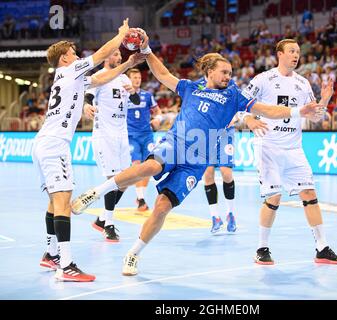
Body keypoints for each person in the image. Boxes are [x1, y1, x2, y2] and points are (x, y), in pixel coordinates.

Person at [71, 29, 323, 276]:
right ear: (210, 71)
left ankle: (134, 253)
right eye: (224, 72)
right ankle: (96, 193)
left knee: (161, 207)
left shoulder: (234, 95)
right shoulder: (191, 87)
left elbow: (267, 109)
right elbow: (162, 74)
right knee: (150, 167)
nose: (229, 76)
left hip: (197, 161)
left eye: (231, 73)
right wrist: (146, 51)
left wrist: (297, 112)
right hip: (177, 142)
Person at [32, 19, 142, 282]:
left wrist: (126, 65)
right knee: (63, 201)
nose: (77, 54)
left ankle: (50, 254)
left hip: (45, 142)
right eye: (72, 52)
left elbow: (101, 77)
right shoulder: (69, 71)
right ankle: (66, 265)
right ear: (64, 59)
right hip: (54, 144)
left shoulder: (72, 78)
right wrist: (121, 36)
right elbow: (102, 56)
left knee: (54, 201)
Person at [242, 39, 337, 265]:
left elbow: (314, 116)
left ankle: (322, 247)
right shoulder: (263, 79)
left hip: (294, 147)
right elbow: (239, 104)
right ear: (279, 54)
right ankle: (261, 248)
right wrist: (249, 119)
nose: (296, 55)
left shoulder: (303, 83)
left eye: (298, 52)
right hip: (268, 146)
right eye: (291, 51)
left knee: (309, 194)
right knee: (274, 196)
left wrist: (325, 99)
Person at [82, 49, 141, 242]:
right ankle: (108, 224)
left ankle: (101, 219)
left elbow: (136, 100)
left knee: (126, 180)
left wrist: (133, 92)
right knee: (114, 178)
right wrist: (87, 105)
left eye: (120, 55)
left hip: (121, 134)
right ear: (107, 57)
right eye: (115, 54)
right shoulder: (99, 76)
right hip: (104, 133)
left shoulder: (124, 77)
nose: (119, 58)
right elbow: (88, 95)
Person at [125, 68, 162, 212]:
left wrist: (157, 119)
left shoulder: (147, 95)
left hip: (147, 135)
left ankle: (141, 197)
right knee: (136, 165)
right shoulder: (123, 96)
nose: (137, 80)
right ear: (128, 79)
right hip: (131, 136)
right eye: (134, 77)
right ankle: (140, 198)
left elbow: (157, 111)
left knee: (148, 166)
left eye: (139, 77)